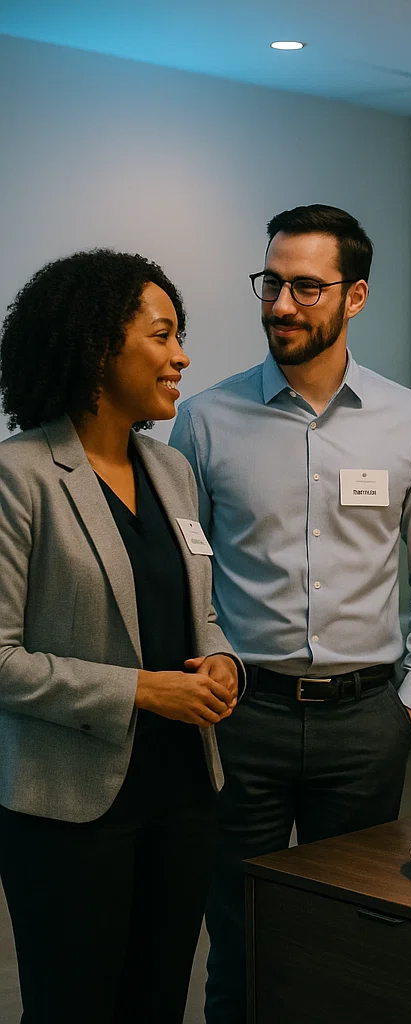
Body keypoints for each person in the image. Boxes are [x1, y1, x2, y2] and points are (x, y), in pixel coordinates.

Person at [169, 203, 411, 1022]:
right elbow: (185, 574)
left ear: (356, 296)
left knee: (356, 934)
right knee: (239, 936)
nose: (281, 304)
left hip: (365, 721)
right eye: (272, 282)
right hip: (243, 719)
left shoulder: (410, 422)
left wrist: (410, 701)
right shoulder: (203, 420)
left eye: (306, 287)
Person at [0, 250, 242, 1023]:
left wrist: (225, 661)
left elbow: (197, 608)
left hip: (182, 795)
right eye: (163, 334)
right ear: (100, 346)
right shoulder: (21, 475)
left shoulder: (173, 471)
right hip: (70, 807)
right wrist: (143, 690)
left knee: (158, 1001)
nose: (183, 356)